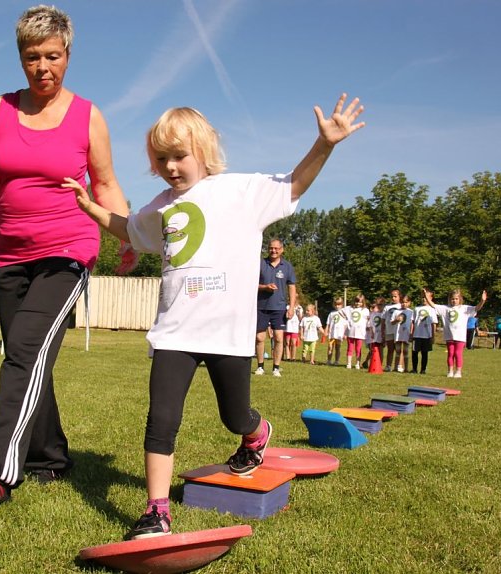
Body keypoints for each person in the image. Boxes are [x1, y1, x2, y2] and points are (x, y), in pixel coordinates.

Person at [69, 94, 365, 539]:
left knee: (234, 415)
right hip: (174, 332)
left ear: (204, 153)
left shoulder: (240, 191)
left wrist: (325, 145)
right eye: (161, 158)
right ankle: (156, 510)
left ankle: (255, 431)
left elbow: (294, 186)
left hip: (227, 334)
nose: (170, 166)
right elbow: (131, 230)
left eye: (179, 156)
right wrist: (93, 209)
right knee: (161, 420)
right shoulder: (161, 205)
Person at [0, 5, 136, 510]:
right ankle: (50, 454)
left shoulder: (87, 116)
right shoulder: (1, 110)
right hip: (10, 255)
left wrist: (124, 234)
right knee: (32, 359)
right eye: (32, 57)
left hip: (68, 250)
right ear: (20, 57)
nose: (43, 68)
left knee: (23, 356)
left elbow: (105, 183)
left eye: (53, 57)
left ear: (68, 55)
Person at [255, 239, 297, 377]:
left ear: (282, 249)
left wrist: (291, 307)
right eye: (271, 248)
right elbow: (251, 283)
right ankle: (260, 366)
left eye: (276, 248)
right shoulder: (260, 263)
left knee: (279, 338)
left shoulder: (287, 266)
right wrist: (265, 287)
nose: (273, 251)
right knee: (260, 338)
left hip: (279, 308)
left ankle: (276, 368)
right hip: (261, 306)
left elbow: (292, 287)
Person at [423, 288, 487, 378]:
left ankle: (458, 371)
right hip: (449, 336)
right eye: (453, 299)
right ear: (450, 299)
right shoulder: (445, 308)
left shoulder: (465, 308)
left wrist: (482, 300)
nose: (454, 301)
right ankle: (450, 371)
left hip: (460, 336)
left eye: (456, 299)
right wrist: (426, 296)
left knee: (458, 353)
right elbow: (433, 305)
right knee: (450, 353)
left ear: (460, 299)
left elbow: (477, 308)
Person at [411, 295, 438, 374]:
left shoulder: (432, 310)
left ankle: (423, 369)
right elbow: (412, 322)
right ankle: (414, 369)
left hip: (426, 335)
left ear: (431, 298)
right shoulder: (416, 309)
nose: (424, 299)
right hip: (416, 334)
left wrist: (433, 336)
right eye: (422, 297)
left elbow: (434, 324)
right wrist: (411, 333)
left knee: (424, 353)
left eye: (426, 298)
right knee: (414, 352)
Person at [341, 294, 369, 370]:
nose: (358, 304)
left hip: (360, 333)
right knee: (350, 348)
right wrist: (346, 318)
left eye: (360, 302)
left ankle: (357, 363)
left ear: (363, 302)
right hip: (350, 332)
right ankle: (349, 363)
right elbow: (341, 311)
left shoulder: (365, 310)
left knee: (358, 349)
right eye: (356, 302)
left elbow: (368, 319)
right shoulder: (350, 309)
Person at [391, 294, 414, 373]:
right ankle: (395, 367)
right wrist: (396, 320)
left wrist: (411, 333)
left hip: (406, 334)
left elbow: (412, 323)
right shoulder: (396, 311)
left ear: (409, 303)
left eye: (406, 302)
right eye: (402, 302)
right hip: (398, 334)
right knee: (397, 350)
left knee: (405, 351)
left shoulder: (411, 312)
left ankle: (406, 368)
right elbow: (392, 323)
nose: (404, 304)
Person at [382, 289, 402, 372]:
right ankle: (388, 365)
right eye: (392, 296)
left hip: (398, 331)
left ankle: (398, 366)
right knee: (390, 349)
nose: (393, 298)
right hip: (389, 330)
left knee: (398, 350)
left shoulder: (402, 306)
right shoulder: (387, 307)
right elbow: (383, 319)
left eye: (395, 296)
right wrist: (383, 330)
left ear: (399, 297)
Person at [325, 297, 346, 366]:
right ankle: (329, 360)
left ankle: (337, 361)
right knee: (330, 347)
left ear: (342, 304)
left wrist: (345, 333)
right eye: (336, 304)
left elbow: (346, 324)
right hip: (332, 334)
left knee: (338, 348)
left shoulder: (344, 313)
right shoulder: (331, 313)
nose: (337, 306)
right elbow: (328, 323)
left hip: (339, 334)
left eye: (339, 304)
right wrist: (326, 330)